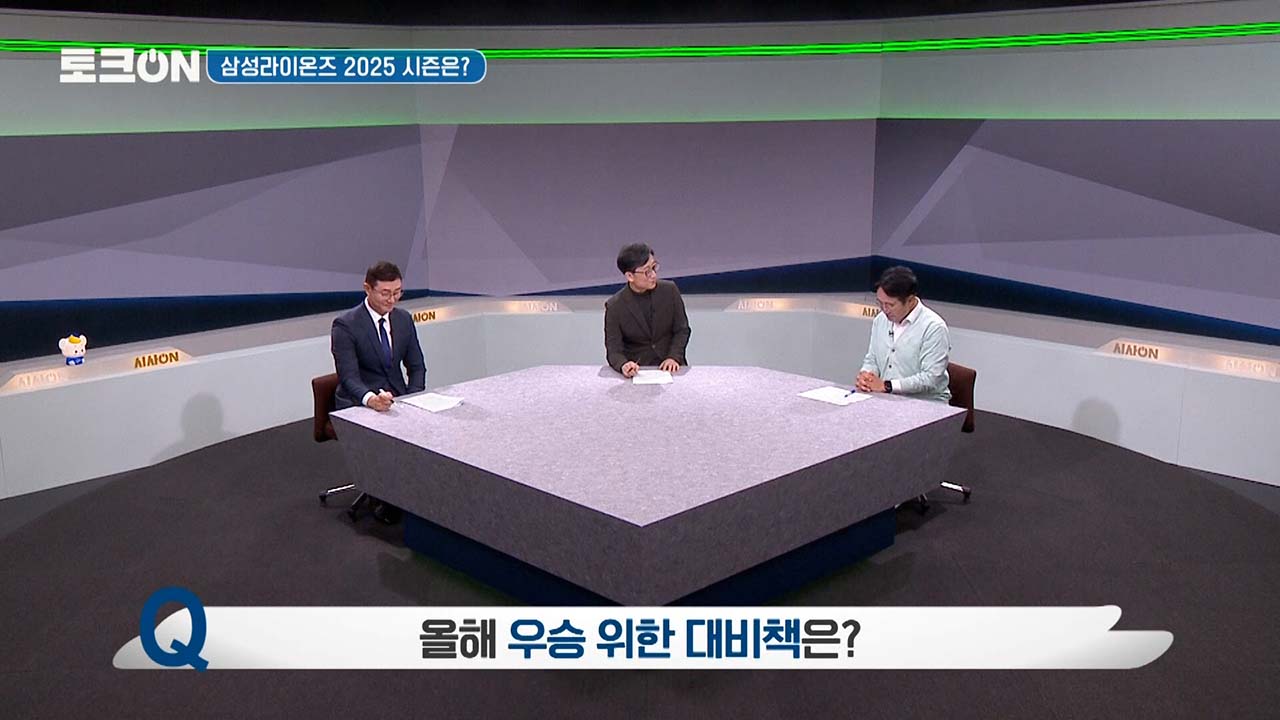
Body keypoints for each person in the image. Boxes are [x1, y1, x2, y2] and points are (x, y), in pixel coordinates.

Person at [331, 261, 427, 411]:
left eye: (397, 292)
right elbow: (349, 377)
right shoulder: (346, 325)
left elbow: (417, 367)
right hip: (359, 403)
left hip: (397, 399)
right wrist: (371, 400)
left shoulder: (403, 319)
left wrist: (412, 398)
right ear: (367, 289)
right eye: (385, 293)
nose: (392, 300)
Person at [856, 265, 951, 403]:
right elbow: (872, 359)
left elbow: (930, 378)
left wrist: (887, 386)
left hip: (926, 404)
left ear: (910, 301)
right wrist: (867, 376)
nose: (884, 309)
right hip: (886, 399)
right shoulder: (880, 320)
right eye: (880, 303)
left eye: (890, 305)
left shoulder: (934, 327)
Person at [604, 243, 691, 378]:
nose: (653, 275)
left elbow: (682, 330)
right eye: (647, 271)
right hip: (639, 372)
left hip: (672, 368)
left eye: (654, 267)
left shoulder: (669, 291)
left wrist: (673, 357)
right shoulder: (615, 306)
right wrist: (624, 365)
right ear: (630, 276)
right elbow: (614, 351)